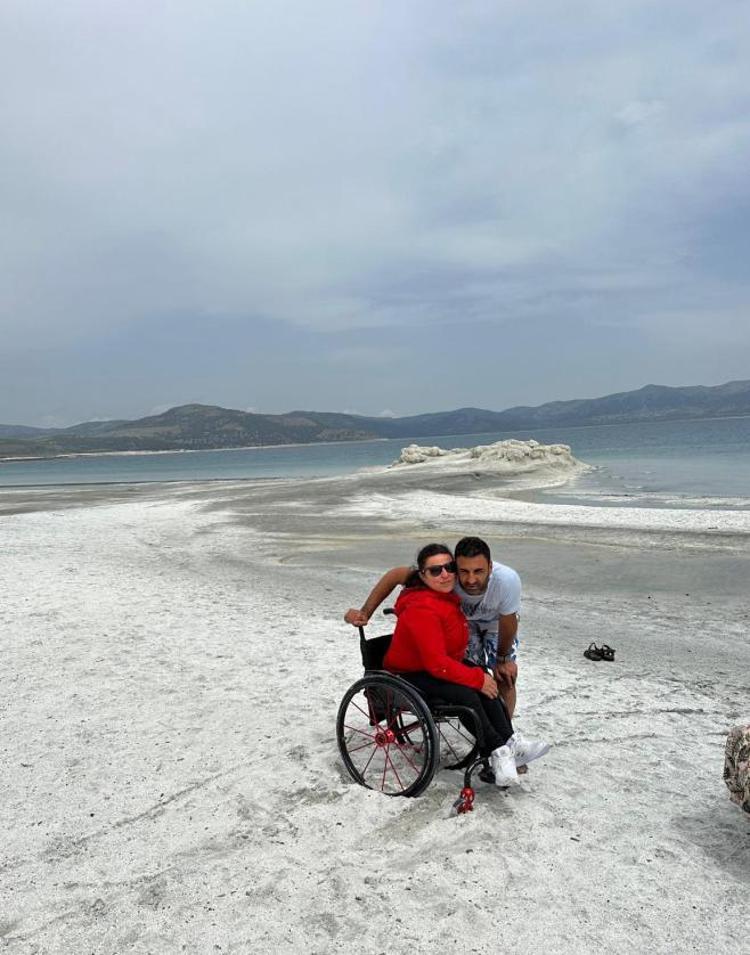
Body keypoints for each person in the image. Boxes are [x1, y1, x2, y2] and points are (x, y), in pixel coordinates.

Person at [379, 542, 548, 787]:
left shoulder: (445, 596)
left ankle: (511, 742)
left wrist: (483, 673)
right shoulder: (421, 607)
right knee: (468, 693)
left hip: (430, 665)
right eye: (436, 571)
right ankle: (498, 751)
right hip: (410, 673)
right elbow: (437, 663)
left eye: (448, 567)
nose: (446, 574)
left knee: (482, 676)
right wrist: (477, 680)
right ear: (422, 574)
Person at [345, 536, 522, 717]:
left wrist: (503, 658)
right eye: (463, 571)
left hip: (495, 623)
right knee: (470, 676)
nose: (470, 579)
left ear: (490, 567)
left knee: (505, 677)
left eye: (479, 571)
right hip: (464, 622)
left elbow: (508, 621)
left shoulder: (506, 580)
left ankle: (506, 730)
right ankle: (483, 726)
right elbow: (395, 576)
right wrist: (365, 612)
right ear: (456, 565)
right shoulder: (444, 573)